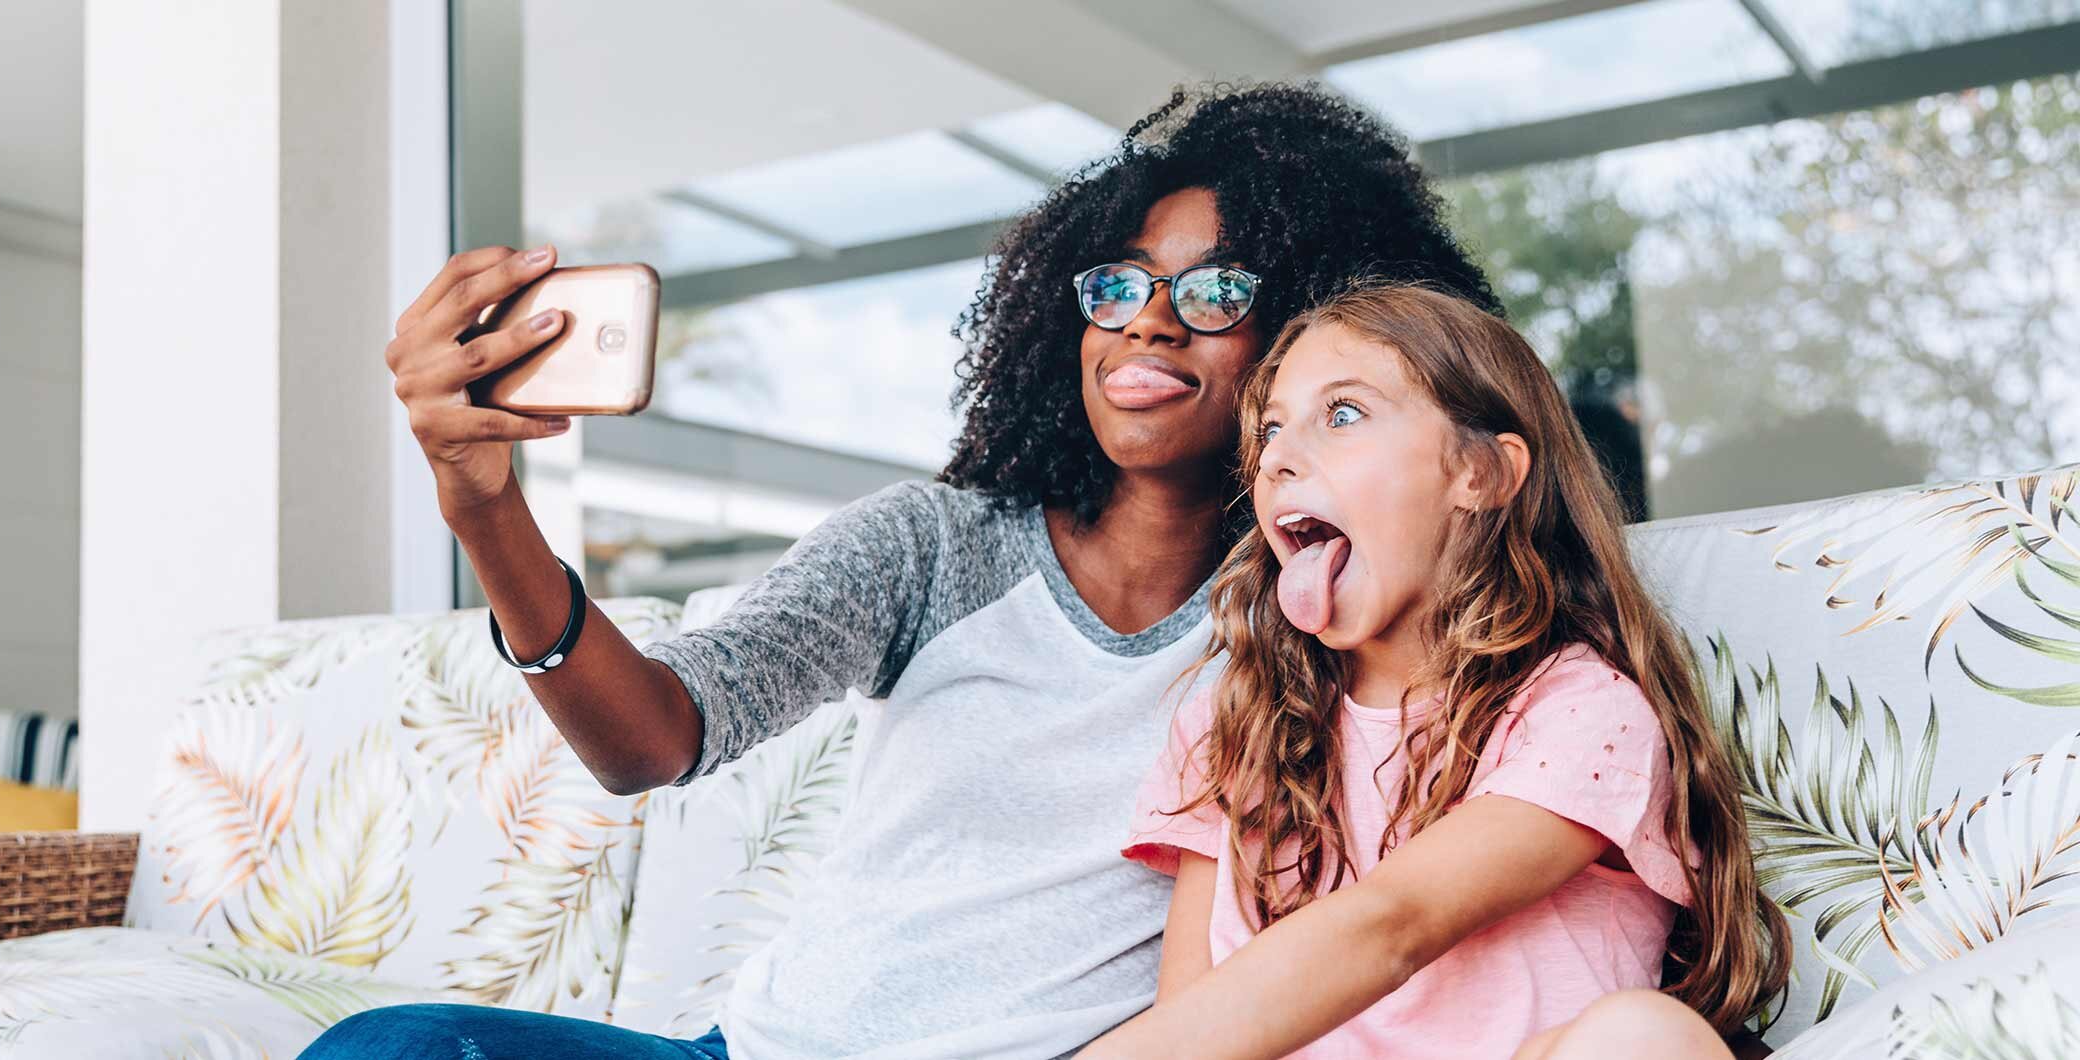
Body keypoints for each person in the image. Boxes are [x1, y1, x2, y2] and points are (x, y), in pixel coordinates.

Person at [305, 84, 1499, 1060]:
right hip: (758, 1050)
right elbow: (650, 739)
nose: (1149, 321)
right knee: (391, 1050)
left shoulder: (1321, 597)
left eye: (1218, 289)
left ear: (1312, 331)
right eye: (1120, 284)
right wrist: (482, 506)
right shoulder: (935, 544)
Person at [1087, 283, 1790, 1060]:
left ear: (1482, 474)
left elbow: (1395, 923)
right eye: (1270, 431)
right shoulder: (1234, 718)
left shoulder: (1581, 711)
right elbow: (1193, 1012)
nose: (1279, 457)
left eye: (1343, 413)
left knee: (1643, 1039)